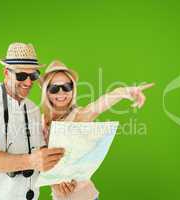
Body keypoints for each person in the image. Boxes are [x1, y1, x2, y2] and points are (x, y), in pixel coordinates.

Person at [39, 60, 154, 200]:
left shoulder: (79, 115)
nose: (61, 92)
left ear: (73, 89)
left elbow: (100, 104)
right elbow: (38, 161)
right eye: (54, 88)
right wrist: (55, 181)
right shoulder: (41, 121)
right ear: (46, 91)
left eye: (67, 87)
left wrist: (125, 91)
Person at [0, 43, 65, 200]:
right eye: (21, 76)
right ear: (6, 73)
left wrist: (59, 179)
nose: (28, 83)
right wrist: (31, 161)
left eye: (33, 76)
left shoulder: (33, 109)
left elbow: (42, 153)